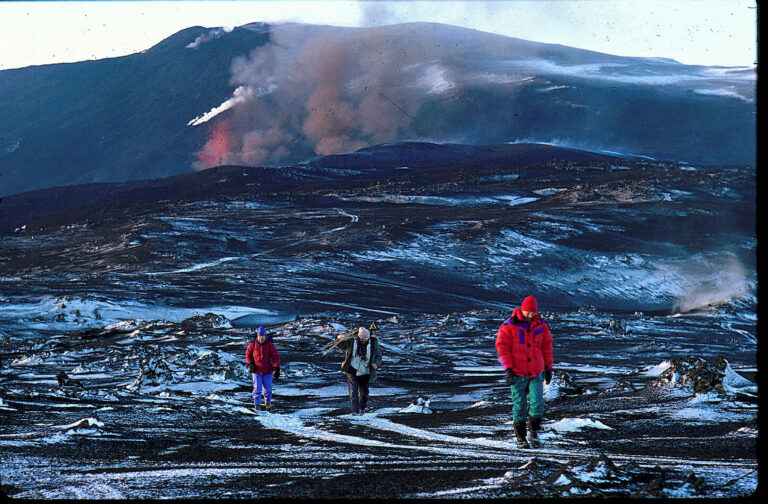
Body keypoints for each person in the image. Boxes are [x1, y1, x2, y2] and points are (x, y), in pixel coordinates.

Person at [495, 295, 553, 448]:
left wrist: (548, 368)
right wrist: (508, 369)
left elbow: (547, 347)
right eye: (528, 313)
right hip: (517, 373)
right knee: (519, 406)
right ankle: (521, 437)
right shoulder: (509, 325)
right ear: (522, 310)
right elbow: (502, 348)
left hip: (535, 372)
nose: (531, 316)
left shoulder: (542, 325)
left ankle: (534, 433)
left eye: (533, 313)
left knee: (538, 403)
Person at [336, 326, 382, 414]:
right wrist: (338, 338)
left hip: (365, 371)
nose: (363, 340)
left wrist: (376, 363)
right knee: (353, 391)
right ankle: (355, 411)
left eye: (365, 339)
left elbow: (378, 356)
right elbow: (339, 345)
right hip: (352, 369)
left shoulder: (373, 344)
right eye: (361, 339)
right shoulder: (351, 341)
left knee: (364, 392)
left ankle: (362, 409)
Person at [245, 326, 280, 411]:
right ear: (257, 336)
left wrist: (276, 367)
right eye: (260, 335)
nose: (261, 337)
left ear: (265, 336)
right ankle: (257, 404)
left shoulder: (270, 345)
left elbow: (276, 356)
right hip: (256, 370)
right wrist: (250, 364)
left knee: (268, 389)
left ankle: (267, 403)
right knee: (257, 388)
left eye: (263, 335)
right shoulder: (253, 345)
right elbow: (248, 354)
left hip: (268, 371)